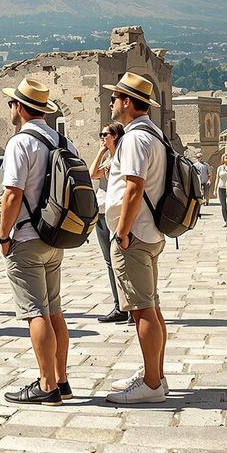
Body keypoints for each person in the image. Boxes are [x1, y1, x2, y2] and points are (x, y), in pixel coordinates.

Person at [0, 78, 75, 406]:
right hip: (54, 235)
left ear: (19, 107)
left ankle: (46, 385)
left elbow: (12, 193)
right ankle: (62, 378)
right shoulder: (63, 141)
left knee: (35, 312)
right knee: (55, 310)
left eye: (12, 103)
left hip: (26, 236)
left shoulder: (20, 143)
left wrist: (3, 235)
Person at [102, 72, 171, 405]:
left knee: (142, 311)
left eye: (114, 98)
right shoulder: (153, 133)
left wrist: (122, 232)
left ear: (127, 102)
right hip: (152, 230)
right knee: (153, 308)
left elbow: (133, 187)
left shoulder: (132, 139)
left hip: (136, 233)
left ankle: (152, 384)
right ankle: (153, 372)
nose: (111, 103)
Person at [89, 121, 128, 324]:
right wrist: (101, 152)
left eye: (105, 134)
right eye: (100, 134)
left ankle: (129, 306)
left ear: (116, 136)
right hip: (101, 215)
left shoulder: (122, 160)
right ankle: (118, 305)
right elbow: (92, 174)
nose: (102, 137)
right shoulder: (108, 161)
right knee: (109, 262)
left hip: (116, 216)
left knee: (121, 262)